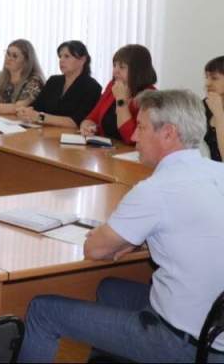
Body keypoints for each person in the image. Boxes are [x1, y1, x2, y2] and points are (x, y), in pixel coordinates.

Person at [19, 89, 224, 362]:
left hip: (180, 342)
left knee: (42, 311)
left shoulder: (156, 189)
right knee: (109, 288)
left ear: (168, 133)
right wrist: (138, 240)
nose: (134, 136)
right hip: (215, 332)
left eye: (141, 127)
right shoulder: (218, 172)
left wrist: (121, 241)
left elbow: (95, 249)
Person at [79, 44, 157, 144]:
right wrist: (86, 126)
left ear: (138, 70)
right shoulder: (113, 86)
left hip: (131, 152)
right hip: (106, 149)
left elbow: (132, 138)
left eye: (122, 67)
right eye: (114, 65)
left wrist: (121, 100)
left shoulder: (150, 97)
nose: (115, 71)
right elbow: (92, 118)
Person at [17, 40, 103, 129]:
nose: (61, 60)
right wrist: (25, 112)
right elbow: (36, 107)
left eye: (67, 56)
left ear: (82, 60)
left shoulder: (92, 87)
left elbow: (76, 122)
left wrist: (40, 117)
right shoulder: (53, 81)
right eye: (60, 57)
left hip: (70, 135)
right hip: (45, 132)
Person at [204, 56, 224, 162]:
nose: (207, 83)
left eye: (214, 78)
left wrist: (219, 115)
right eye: (206, 77)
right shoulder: (204, 105)